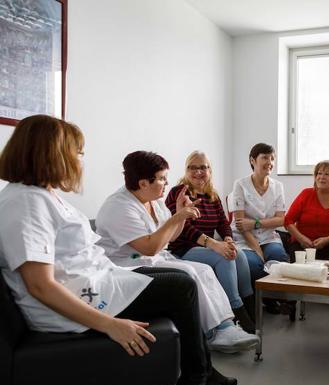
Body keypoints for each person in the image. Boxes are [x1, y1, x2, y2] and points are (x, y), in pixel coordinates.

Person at [0, 115, 236, 385]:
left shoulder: (41, 196)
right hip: (83, 296)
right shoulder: (26, 203)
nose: (79, 162)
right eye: (76, 154)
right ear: (51, 155)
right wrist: (109, 324)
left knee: (183, 282)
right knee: (180, 286)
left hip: (99, 280)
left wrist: (178, 216)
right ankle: (199, 378)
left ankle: (203, 373)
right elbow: (39, 285)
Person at [96, 151, 258, 351]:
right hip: (127, 266)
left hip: (154, 259)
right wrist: (177, 216)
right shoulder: (119, 207)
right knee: (188, 273)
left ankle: (224, 328)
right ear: (143, 183)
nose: (166, 182)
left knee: (203, 270)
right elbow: (150, 247)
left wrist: (180, 216)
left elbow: (170, 236)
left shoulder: (152, 200)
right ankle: (213, 332)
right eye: (162, 178)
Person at [165, 151, 256, 333]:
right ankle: (235, 310)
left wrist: (228, 239)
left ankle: (250, 308)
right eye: (193, 167)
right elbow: (186, 229)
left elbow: (222, 222)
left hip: (206, 246)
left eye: (203, 167)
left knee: (239, 255)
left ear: (209, 170)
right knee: (225, 257)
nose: (198, 172)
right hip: (183, 247)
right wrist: (215, 245)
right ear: (186, 170)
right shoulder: (179, 192)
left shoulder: (212, 195)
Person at [229, 143, 289, 282]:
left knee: (280, 260)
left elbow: (281, 219)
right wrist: (258, 251)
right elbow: (241, 225)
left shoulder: (278, 186)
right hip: (245, 239)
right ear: (252, 160)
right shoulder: (240, 184)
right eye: (265, 158)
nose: (270, 162)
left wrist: (255, 223)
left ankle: (279, 302)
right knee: (254, 265)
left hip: (269, 237)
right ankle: (259, 302)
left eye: (272, 159)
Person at [284, 160, 329, 260]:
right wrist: (301, 239)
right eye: (319, 173)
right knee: (298, 253)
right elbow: (288, 220)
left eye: (327, 174)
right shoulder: (306, 194)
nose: (321, 177)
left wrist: (327, 240)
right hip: (303, 244)